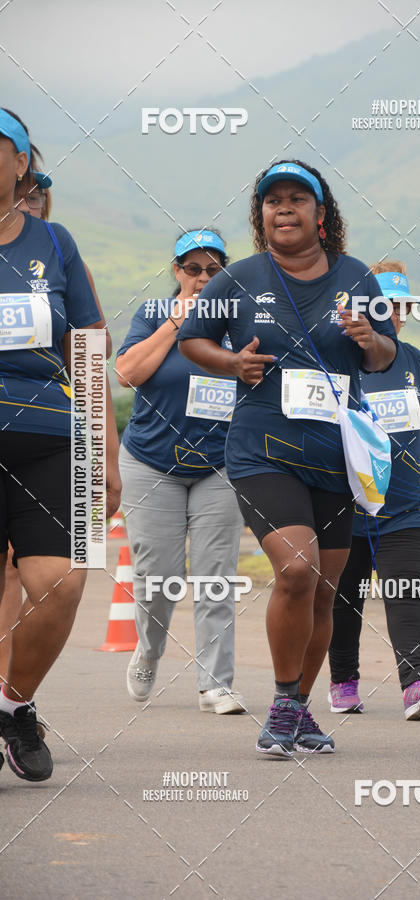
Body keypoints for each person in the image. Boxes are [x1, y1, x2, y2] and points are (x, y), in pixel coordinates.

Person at [179, 160, 397, 756]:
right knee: (297, 570)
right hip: (262, 450)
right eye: (272, 200)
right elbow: (192, 338)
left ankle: (299, 709)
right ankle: (280, 702)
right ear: (262, 215)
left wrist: (369, 340)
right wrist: (232, 363)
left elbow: (385, 356)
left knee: (324, 590)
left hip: (335, 456)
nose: (284, 208)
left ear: (320, 214)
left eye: (297, 198)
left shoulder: (357, 277)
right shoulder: (239, 279)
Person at [0, 109, 121, 782]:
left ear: (22, 163)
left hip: (52, 437)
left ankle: (12, 706)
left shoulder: (54, 241)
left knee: (64, 580)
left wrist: (105, 450)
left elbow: (89, 350)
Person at [116, 229, 246, 714]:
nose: (203, 277)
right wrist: (178, 322)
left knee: (217, 576)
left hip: (220, 465)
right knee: (158, 577)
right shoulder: (154, 313)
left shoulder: (238, 319)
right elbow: (126, 373)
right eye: (193, 269)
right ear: (177, 271)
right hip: (151, 462)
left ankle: (216, 684)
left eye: (214, 269)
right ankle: (149, 651)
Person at [328, 262, 420, 720]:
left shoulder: (413, 360)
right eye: (384, 305)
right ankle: (343, 682)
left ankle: (416, 685)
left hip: (404, 507)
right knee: (346, 600)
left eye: (400, 307)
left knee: (405, 592)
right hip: (346, 506)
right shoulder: (336, 359)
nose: (394, 315)